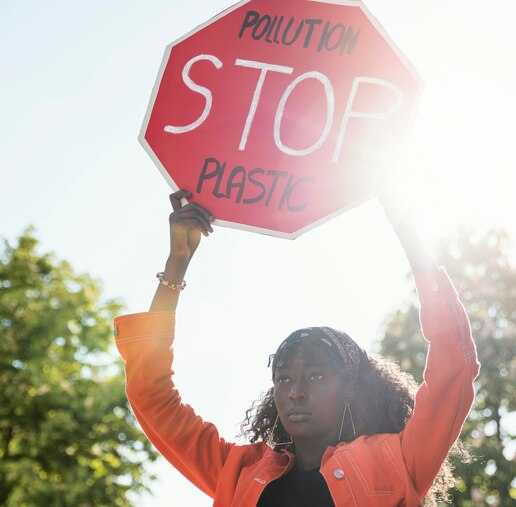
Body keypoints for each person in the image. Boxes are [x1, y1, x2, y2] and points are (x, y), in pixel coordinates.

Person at [113, 188, 480, 506]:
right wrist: (177, 263)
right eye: (284, 379)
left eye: (316, 376)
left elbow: (454, 366)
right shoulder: (238, 472)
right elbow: (150, 393)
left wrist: (406, 227)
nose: (296, 393)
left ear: (351, 388)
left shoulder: (396, 460)